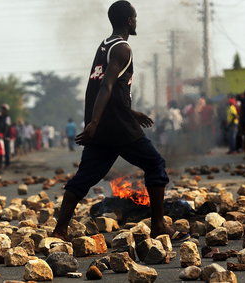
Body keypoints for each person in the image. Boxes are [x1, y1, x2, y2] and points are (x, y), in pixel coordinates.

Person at [52, 1, 176, 241]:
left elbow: (110, 90)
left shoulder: (104, 45)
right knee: (155, 164)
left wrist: (130, 112)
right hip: (117, 127)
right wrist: (95, 123)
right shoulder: (122, 48)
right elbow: (107, 86)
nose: (136, 21)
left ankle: (60, 230)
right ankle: (158, 224)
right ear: (129, 20)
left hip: (108, 124)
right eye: (135, 17)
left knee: (85, 177)